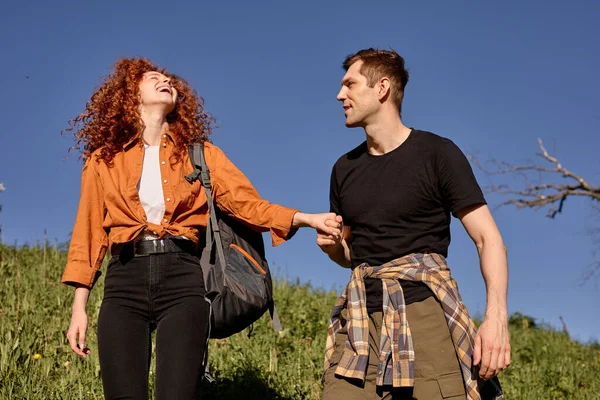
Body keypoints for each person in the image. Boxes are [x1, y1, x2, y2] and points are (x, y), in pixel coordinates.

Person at [62, 57, 341, 400]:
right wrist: (80, 309)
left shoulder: (201, 155)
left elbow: (247, 204)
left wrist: (304, 218)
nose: (166, 81)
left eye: (170, 80)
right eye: (153, 78)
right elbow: (88, 234)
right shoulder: (103, 159)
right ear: (130, 93)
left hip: (183, 280)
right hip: (124, 282)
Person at [317, 48, 509, 400]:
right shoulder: (344, 169)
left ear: (382, 88)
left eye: (350, 84)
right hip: (360, 322)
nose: (339, 95)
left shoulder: (437, 153)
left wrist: (496, 319)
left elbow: (488, 239)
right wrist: (333, 248)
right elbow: (350, 253)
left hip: (424, 316)